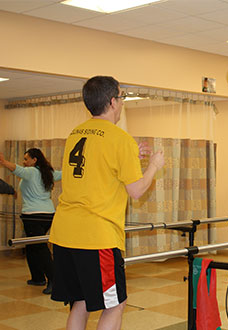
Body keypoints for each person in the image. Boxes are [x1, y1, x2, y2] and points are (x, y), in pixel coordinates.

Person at [49, 75, 165, 330]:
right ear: (113, 102)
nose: (122, 103)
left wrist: (131, 157)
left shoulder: (75, 133)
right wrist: (153, 167)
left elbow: (97, 169)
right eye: (122, 97)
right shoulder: (119, 138)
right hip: (96, 237)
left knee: (80, 302)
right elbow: (136, 191)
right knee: (114, 305)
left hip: (64, 233)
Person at [0, 148, 61, 295]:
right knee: (32, 246)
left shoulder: (31, 172)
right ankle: (37, 277)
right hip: (48, 214)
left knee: (39, 247)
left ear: (34, 160)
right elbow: (66, 174)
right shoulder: (49, 173)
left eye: (26, 159)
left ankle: (54, 281)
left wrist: (3, 162)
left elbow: (17, 170)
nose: (24, 161)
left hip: (32, 216)